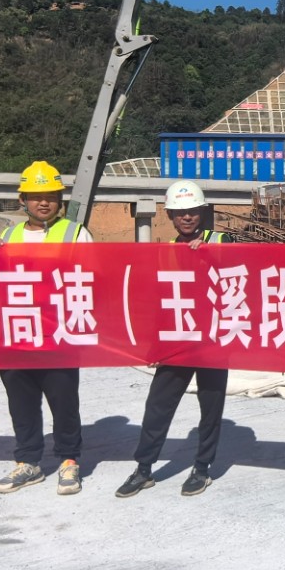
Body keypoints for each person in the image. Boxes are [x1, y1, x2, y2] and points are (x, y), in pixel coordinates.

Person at [117, 179, 232, 500]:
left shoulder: (221, 240)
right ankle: (143, 468)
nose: (187, 217)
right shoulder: (165, 250)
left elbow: (242, 269)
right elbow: (159, 300)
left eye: (192, 211)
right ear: (169, 215)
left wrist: (209, 254)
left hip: (212, 341)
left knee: (210, 408)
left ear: (202, 211)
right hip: (177, 341)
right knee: (158, 406)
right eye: (180, 212)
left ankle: (202, 468)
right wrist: (154, 344)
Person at [0, 161, 91, 497]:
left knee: (64, 402)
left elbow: (95, 277)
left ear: (60, 199)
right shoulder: (8, 236)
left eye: (50, 195)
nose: (44, 202)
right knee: (21, 403)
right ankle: (28, 462)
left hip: (58, 334)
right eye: (36, 196)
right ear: (23, 199)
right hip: (17, 332)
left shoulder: (75, 233)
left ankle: (69, 461)